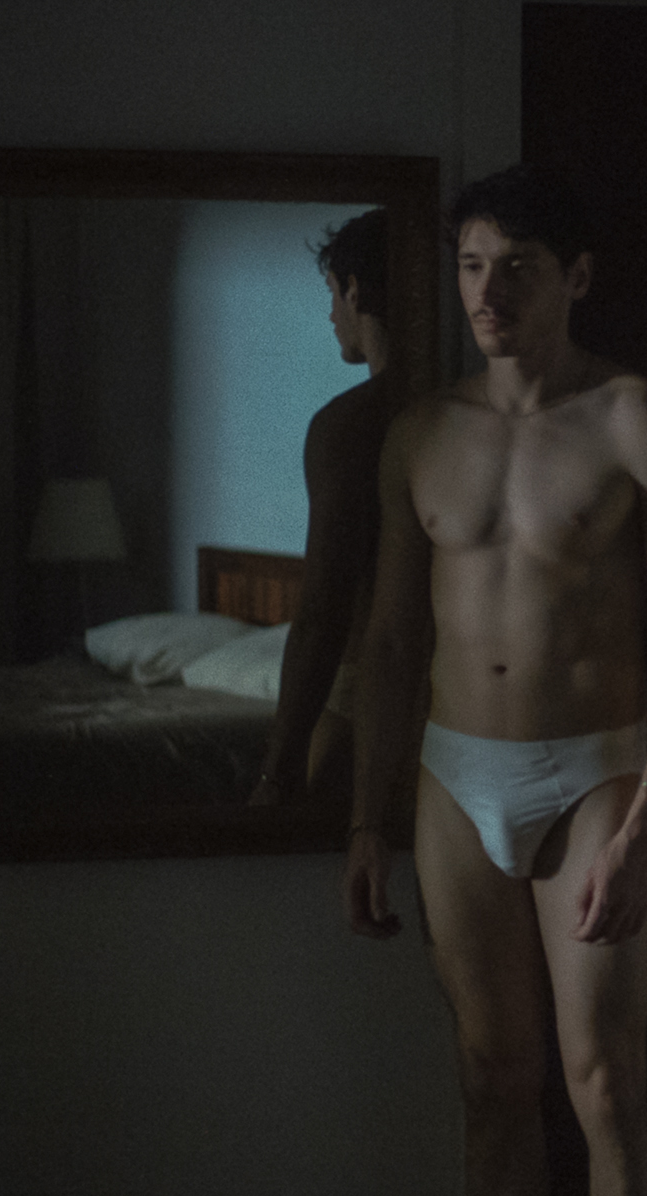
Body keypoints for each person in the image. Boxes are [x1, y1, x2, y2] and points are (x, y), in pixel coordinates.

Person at [345, 164, 647, 1196]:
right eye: (472, 265)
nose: (488, 290)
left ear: (578, 277)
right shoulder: (420, 433)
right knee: (491, 1079)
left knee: (606, 1085)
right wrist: (366, 819)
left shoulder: (638, 421)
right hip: (453, 776)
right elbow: (391, 641)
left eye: (517, 266)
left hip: (594, 777)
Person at [249, 208, 400, 808]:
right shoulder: (454, 406)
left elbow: (320, 615)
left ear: (354, 290)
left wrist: (277, 767)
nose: (331, 314)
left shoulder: (351, 426)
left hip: (360, 698)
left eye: (332, 293)